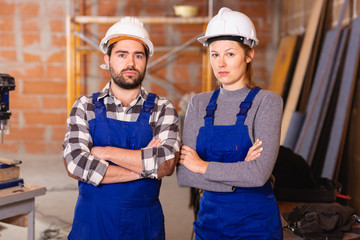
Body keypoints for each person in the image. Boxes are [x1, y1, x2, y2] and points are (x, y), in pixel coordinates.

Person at [62, 16, 180, 240]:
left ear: (146, 60)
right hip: (92, 225)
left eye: (138, 55)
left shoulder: (162, 108)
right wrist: (144, 168)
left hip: (144, 227)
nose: (131, 63)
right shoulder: (85, 106)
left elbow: (165, 163)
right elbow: (75, 164)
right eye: (122, 54)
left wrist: (104, 152)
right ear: (107, 58)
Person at [177, 7, 283, 239]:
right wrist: (239, 173)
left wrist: (202, 166)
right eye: (214, 54)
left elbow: (258, 175)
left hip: (255, 224)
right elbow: (185, 174)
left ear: (249, 55)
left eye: (230, 54)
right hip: (209, 221)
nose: (220, 63)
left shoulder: (267, 102)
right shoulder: (199, 103)